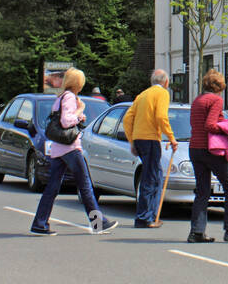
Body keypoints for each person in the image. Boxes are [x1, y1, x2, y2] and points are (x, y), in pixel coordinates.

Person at [31, 67, 118, 236]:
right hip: (70, 147)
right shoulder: (70, 97)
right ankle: (98, 223)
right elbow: (66, 121)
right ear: (78, 83)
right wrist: (79, 113)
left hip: (58, 148)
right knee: (85, 185)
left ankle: (39, 223)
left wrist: (78, 116)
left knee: (53, 187)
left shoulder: (60, 97)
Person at [187, 70, 228, 243]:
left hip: (195, 148)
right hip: (210, 149)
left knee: (202, 191)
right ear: (219, 86)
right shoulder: (216, 100)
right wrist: (226, 127)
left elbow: (197, 124)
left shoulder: (197, 100)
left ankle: (196, 232)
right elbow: (210, 125)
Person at [123, 69, 177, 228]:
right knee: (151, 177)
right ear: (166, 82)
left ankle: (152, 214)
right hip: (151, 138)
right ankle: (144, 217)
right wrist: (171, 137)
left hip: (140, 138)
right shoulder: (162, 94)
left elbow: (127, 118)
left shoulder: (143, 95)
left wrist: (132, 140)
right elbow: (161, 116)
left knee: (156, 175)